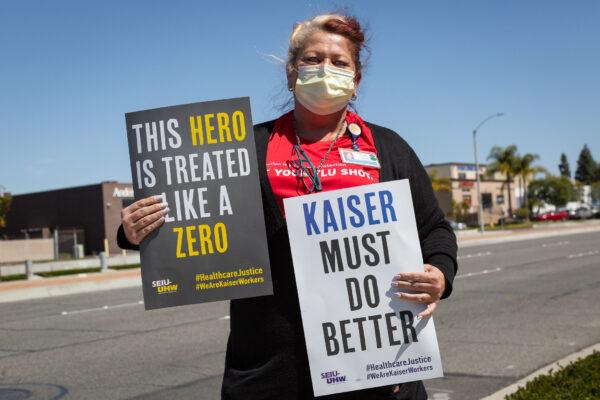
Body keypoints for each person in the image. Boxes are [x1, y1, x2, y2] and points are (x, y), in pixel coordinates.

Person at [118, 13, 457, 400]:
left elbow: (434, 229)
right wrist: (133, 231)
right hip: (271, 372)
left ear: (356, 81)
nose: (325, 69)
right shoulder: (245, 148)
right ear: (291, 74)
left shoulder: (389, 147)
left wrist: (440, 274)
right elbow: (191, 215)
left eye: (339, 62)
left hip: (377, 371)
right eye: (312, 60)